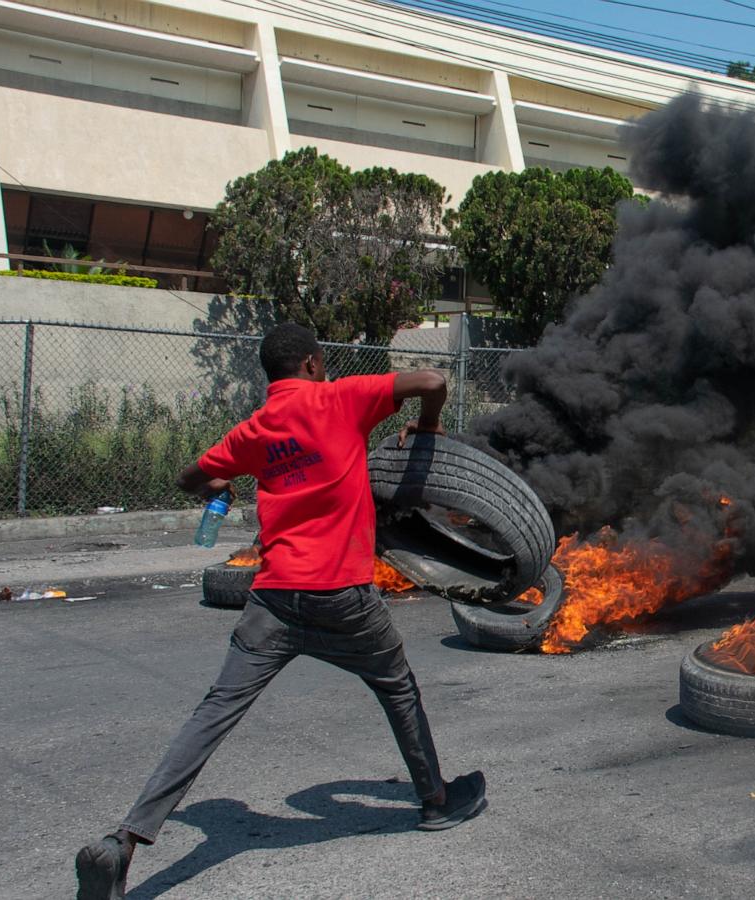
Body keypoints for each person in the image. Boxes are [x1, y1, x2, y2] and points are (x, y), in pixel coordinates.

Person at [75, 322, 485, 899]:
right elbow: (432, 377)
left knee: (215, 712)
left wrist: (222, 486)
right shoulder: (341, 398)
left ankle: (123, 842)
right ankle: (436, 801)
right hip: (343, 595)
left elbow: (188, 476)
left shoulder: (255, 428)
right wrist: (431, 423)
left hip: (272, 598)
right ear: (315, 365)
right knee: (396, 686)